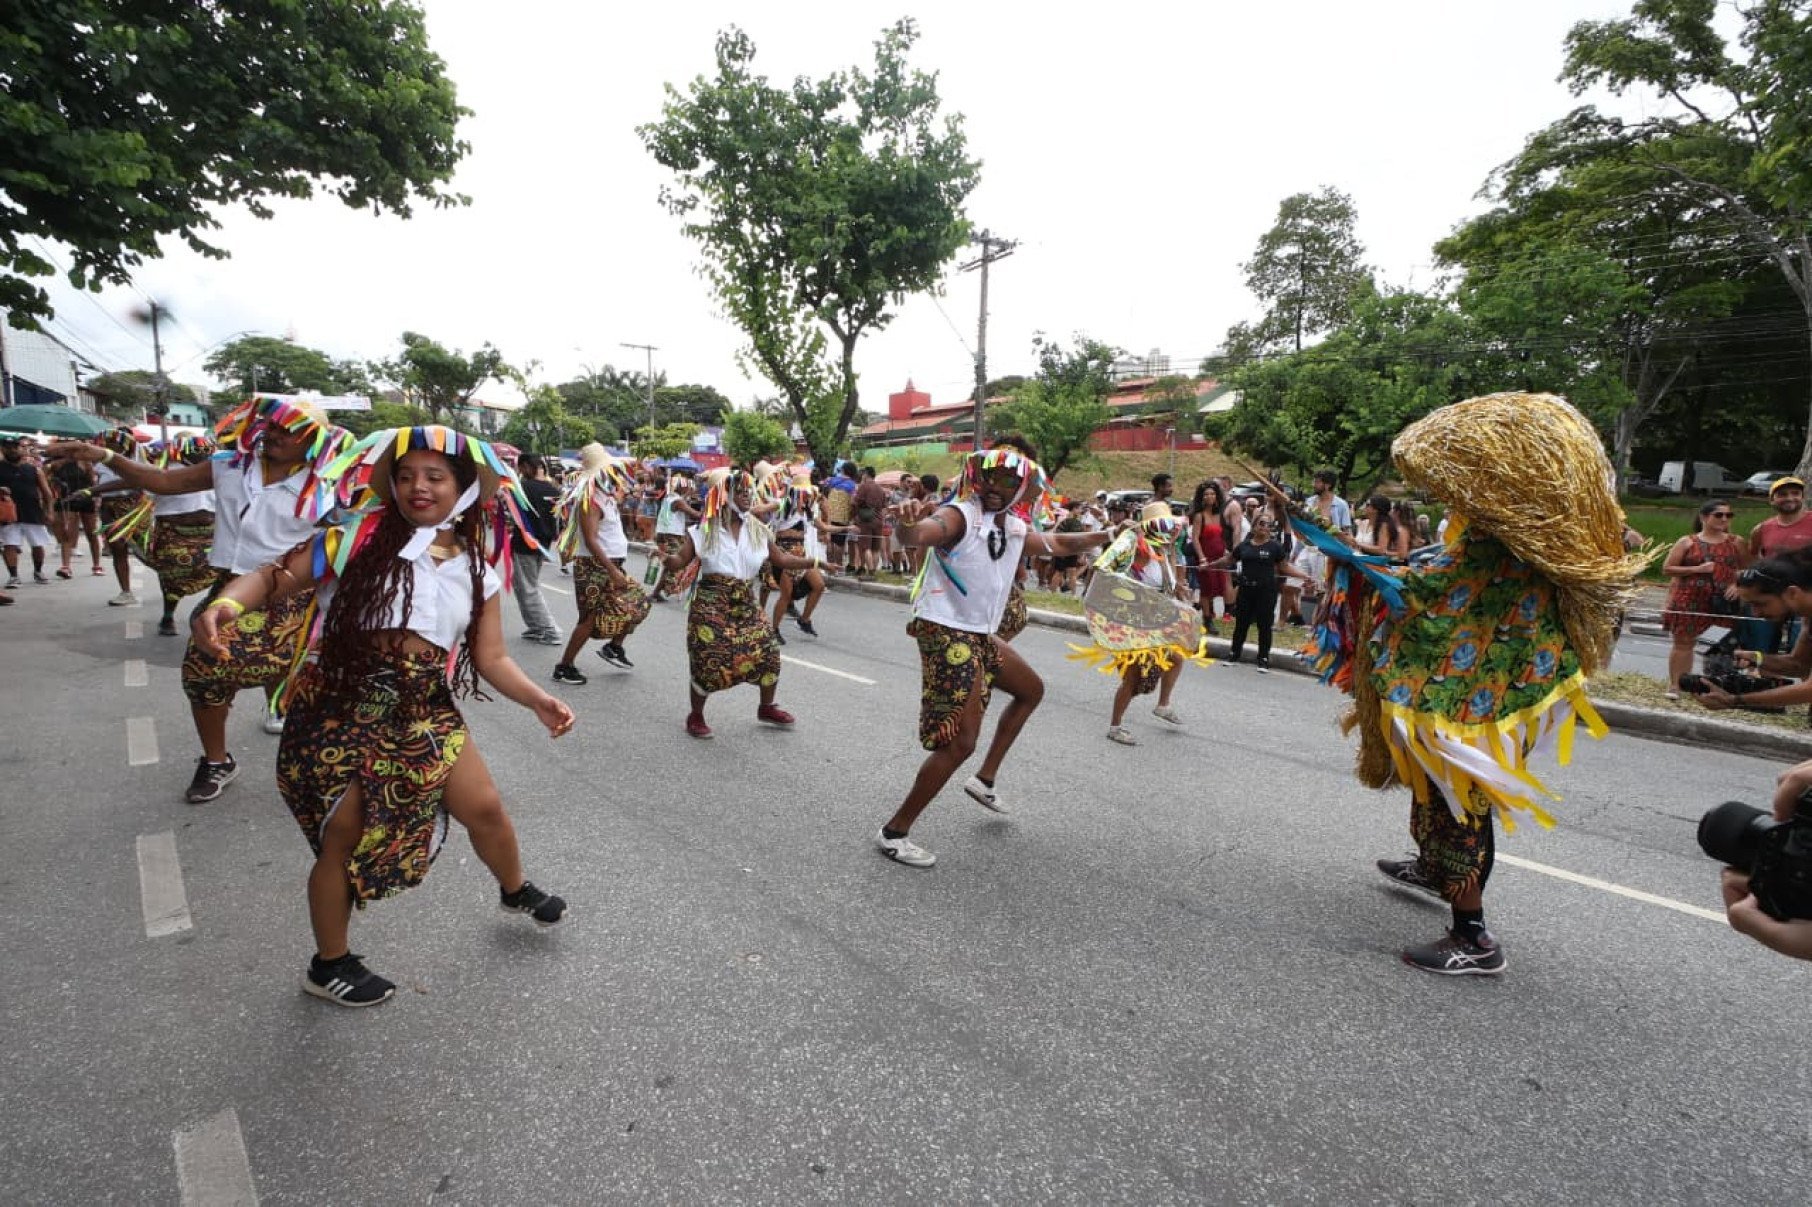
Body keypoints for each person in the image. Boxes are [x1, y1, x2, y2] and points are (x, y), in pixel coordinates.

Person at [192, 425, 574, 1007]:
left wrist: (538, 700)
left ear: (464, 489)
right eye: (406, 475)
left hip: (422, 708)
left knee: (485, 808)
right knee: (343, 836)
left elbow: (491, 657)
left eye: (435, 476)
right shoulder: (352, 540)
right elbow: (272, 576)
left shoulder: (477, 567)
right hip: (341, 708)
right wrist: (225, 603)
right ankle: (329, 964)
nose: (418, 486)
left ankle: (514, 889)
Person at [1290, 392, 1644, 975]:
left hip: (1478, 699)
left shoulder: (1501, 549)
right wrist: (1353, 550)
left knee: (1457, 804)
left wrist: (1348, 558)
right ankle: (1433, 871)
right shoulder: (1516, 541)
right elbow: (1426, 569)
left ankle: (1473, 937)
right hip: (1500, 688)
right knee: (1444, 793)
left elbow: (1423, 593)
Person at [51, 397, 351, 802]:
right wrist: (105, 456)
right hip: (231, 588)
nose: (275, 433)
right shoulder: (229, 466)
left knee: (300, 677)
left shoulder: (331, 481)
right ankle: (216, 760)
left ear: (314, 439)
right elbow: (162, 481)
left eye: (289, 429)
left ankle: (304, 750)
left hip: (297, 594)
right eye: (271, 425)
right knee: (204, 671)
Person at [875, 448, 1113, 869]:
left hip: (978, 635)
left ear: (1021, 488)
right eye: (989, 478)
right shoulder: (961, 515)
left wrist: (1105, 535)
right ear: (975, 479)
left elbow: (1057, 543)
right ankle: (894, 832)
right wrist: (907, 525)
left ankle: (984, 779)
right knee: (960, 743)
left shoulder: (1013, 526)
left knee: (1031, 690)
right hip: (946, 630)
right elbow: (923, 533)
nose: (995, 487)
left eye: (1007, 481)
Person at [660, 467, 819, 739]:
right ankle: (696, 715)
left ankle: (766, 707)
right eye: (740, 491)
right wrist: (665, 558)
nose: (747, 496)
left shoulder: (757, 530)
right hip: (711, 602)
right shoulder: (704, 530)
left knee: (768, 651)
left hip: (745, 601)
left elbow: (782, 559)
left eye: (749, 491)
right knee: (709, 658)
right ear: (724, 495)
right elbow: (680, 561)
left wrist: (815, 562)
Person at [551, 443, 650, 683]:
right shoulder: (590, 500)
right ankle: (564, 666)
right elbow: (591, 540)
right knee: (588, 619)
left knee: (638, 604)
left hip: (610, 565)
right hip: (594, 567)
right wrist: (612, 570)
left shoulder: (604, 495)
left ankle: (614, 647)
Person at [1100, 502, 1191, 744]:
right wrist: (1131, 533)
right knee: (1133, 680)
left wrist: (1179, 590)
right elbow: (1110, 568)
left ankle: (1163, 705)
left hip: (1156, 624)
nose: (1170, 530)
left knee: (1175, 659)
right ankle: (1115, 726)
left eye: (1171, 525)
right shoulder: (1140, 550)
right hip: (1136, 624)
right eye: (1165, 525)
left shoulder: (1164, 551)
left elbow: (1167, 584)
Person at [1660, 499, 1748, 700]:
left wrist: (1738, 585)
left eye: (1728, 515)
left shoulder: (1736, 542)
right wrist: (1697, 569)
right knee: (1683, 643)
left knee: (1719, 644)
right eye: (1719, 515)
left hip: (1722, 601)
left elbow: (1749, 568)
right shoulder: (1687, 542)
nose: (1724, 519)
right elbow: (1667, 568)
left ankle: (1716, 685)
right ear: (1704, 517)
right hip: (1689, 598)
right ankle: (1677, 684)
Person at [1205, 511, 1311, 671]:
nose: (1264, 527)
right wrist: (1210, 565)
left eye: (1268, 525)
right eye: (1261, 523)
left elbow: (1285, 567)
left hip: (1266, 591)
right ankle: (1234, 654)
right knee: (1241, 624)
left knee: (1264, 625)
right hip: (1246, 589)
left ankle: (1263, 659)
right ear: (1254, 526)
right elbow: (1229, 560)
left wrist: (1304, 576)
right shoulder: (1244, 546)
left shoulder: (1275, 547)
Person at [1746, 476, 1812, 654]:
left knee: (1800, 650)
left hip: (1804, 595)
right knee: (1762, 647)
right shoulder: (1761, 529)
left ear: (1802, 497)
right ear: (1772, 500)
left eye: (1795, 493)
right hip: (1771, 595)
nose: (1790, 498)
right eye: (1782, 494)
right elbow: (1752, 558)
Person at [509, 454, 563, 645]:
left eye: (520, 468)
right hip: (543, 543)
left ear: (525, 466)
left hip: (526, 543)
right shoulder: (553, 489)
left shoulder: (524, 487)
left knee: (528, 587)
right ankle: (536, 627)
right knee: (522, 585)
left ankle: (549, 629)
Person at [0, 436, 56, 587]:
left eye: (15, 447)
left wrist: (50, 511)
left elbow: (47, 493)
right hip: (8, 514)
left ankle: (38, 571)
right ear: (3, 449)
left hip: (32, 512)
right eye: (8, 447)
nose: (12, 450)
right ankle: (13, 576)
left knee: (37, 544)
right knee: (9, 544)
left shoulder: (34, 470)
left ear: (21, 449)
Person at [47, 450, 100, 579]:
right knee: (67, 532)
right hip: (67, 500)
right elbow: (47, 478)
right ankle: (66, 566)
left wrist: (97, 498)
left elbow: (93, 481)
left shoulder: (85, 463)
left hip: (85, 498)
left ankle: (96, 565)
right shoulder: (57, 464)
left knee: (91, 533)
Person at [649, 472, 700, 601]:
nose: (687, 487)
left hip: (662, 534)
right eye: (685, 486)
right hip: (672, 536)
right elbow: (696, 515)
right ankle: (669, 587)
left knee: (669, 564)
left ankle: (656, 592)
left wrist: (687, 496)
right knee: (677, 564)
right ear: (679, 487)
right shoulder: (678, 501)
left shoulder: (668, 498)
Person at [1189, 480, 1232, 631]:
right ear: (1201, 497)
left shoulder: (1220, 515)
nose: (1209, 497)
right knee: (1206, 589)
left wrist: (1226, 552)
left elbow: (1223, 536)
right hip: (1205, 557)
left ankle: (1209, 614)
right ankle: (1207, 619)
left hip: (1219, 557)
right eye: (1206, 494)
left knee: (1217, 587)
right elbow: (1195, 538)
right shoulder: (1199, 516)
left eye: (1212, 494)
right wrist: (1202, 558)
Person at [852, 465, 890, 578]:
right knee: (876, 548)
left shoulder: (863, 487)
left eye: (863, 474)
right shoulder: (880, 489)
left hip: (865, 520)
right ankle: (873, 574)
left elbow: (855, 502)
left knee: (866, 547)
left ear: (866, 474)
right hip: (878, 520)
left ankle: (870, 571)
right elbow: (884, 507)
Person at [1353, 495, 1413, 561]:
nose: (1364, 507)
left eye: (1368, 505)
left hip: (1371, 562)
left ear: (1376, 509)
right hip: (1356, 559)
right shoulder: (1362, 523)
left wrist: (1357, 544)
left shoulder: (1383, 526)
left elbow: (1381, 550)